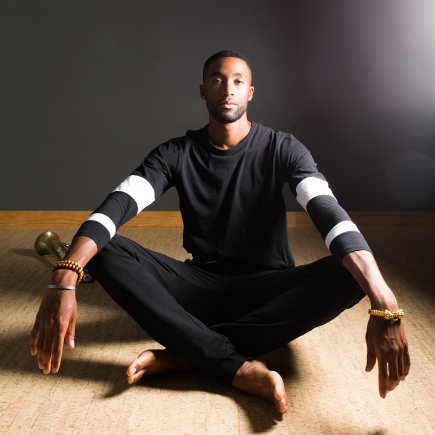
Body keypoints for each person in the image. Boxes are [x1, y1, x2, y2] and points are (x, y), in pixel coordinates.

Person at [30, 50, 410, 414]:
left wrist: (386, 301)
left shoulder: (284, 148)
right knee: (107, 249)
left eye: (237, 81)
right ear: (203, 90)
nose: (227, 89)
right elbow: (117, 205)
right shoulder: (174, 153)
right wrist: (66, 274)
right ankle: (231, 362)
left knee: (350, 273)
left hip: (268, 289)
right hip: (198, 286)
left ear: (250, 92)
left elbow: (329, 214)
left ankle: (188, 354)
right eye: (217, 79)